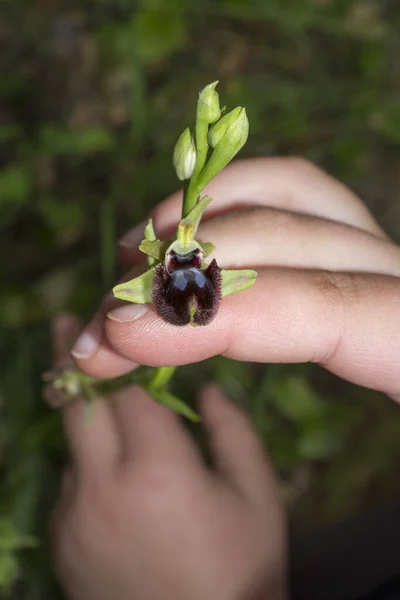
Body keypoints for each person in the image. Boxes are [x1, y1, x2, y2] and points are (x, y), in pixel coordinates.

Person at [47, 157, 400, 600]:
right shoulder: (180, 260)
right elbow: (139, 286)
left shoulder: (196, 264)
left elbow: (237, 277)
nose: (185, 252)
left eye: (189, 251)